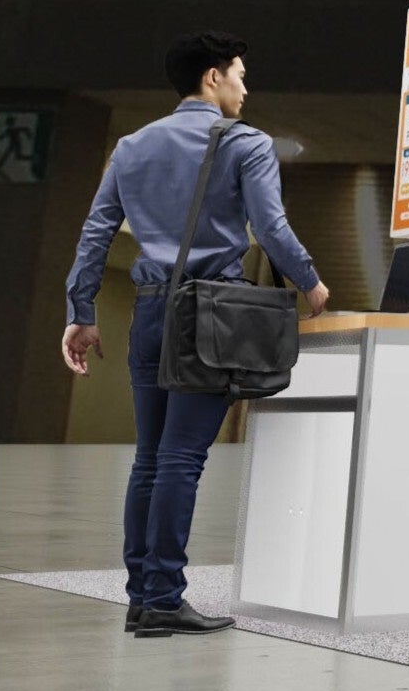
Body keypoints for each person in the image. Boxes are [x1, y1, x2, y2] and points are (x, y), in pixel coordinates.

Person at [62, 32, 329, 637]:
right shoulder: (246, 143)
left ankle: (143, 596)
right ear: (213, 77)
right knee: (181, 458)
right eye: (239, 74)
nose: (244, 87)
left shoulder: (131, 146)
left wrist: (82, 312)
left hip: (149, 313)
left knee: (151, 459)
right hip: (208, 314)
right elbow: (270, 225)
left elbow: (95, 234)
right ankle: (163, 598)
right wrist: (311, 282)